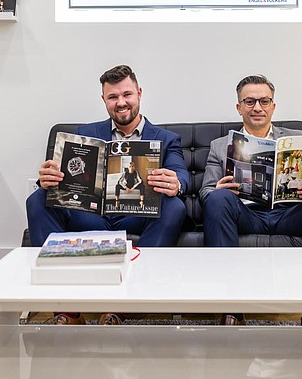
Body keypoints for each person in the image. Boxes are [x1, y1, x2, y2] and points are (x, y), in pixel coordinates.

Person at [26, 64, 189, 325]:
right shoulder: (84, 134)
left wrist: (176, 183)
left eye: (127, 94)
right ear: (104, 99)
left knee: (175, 206)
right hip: (91, 215)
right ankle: (66, 308)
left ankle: (123, 304)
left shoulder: (167, 138)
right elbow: (64, 173)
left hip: (136, 216)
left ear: (139, 93)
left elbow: (181, 173)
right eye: (113, 97)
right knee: (37, 199)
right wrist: (47, 178)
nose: (121, 102)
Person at [199, 74, 302, 327]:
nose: (257, 107)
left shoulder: (296, 139)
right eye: (249, 102)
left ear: (273, 106)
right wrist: (218, 190)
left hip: (290, 215)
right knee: (217, 198)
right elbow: (205, 193)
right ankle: (231, 310)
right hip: (247, 215)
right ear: (239, 107)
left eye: (264, 101)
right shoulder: (220, 145)